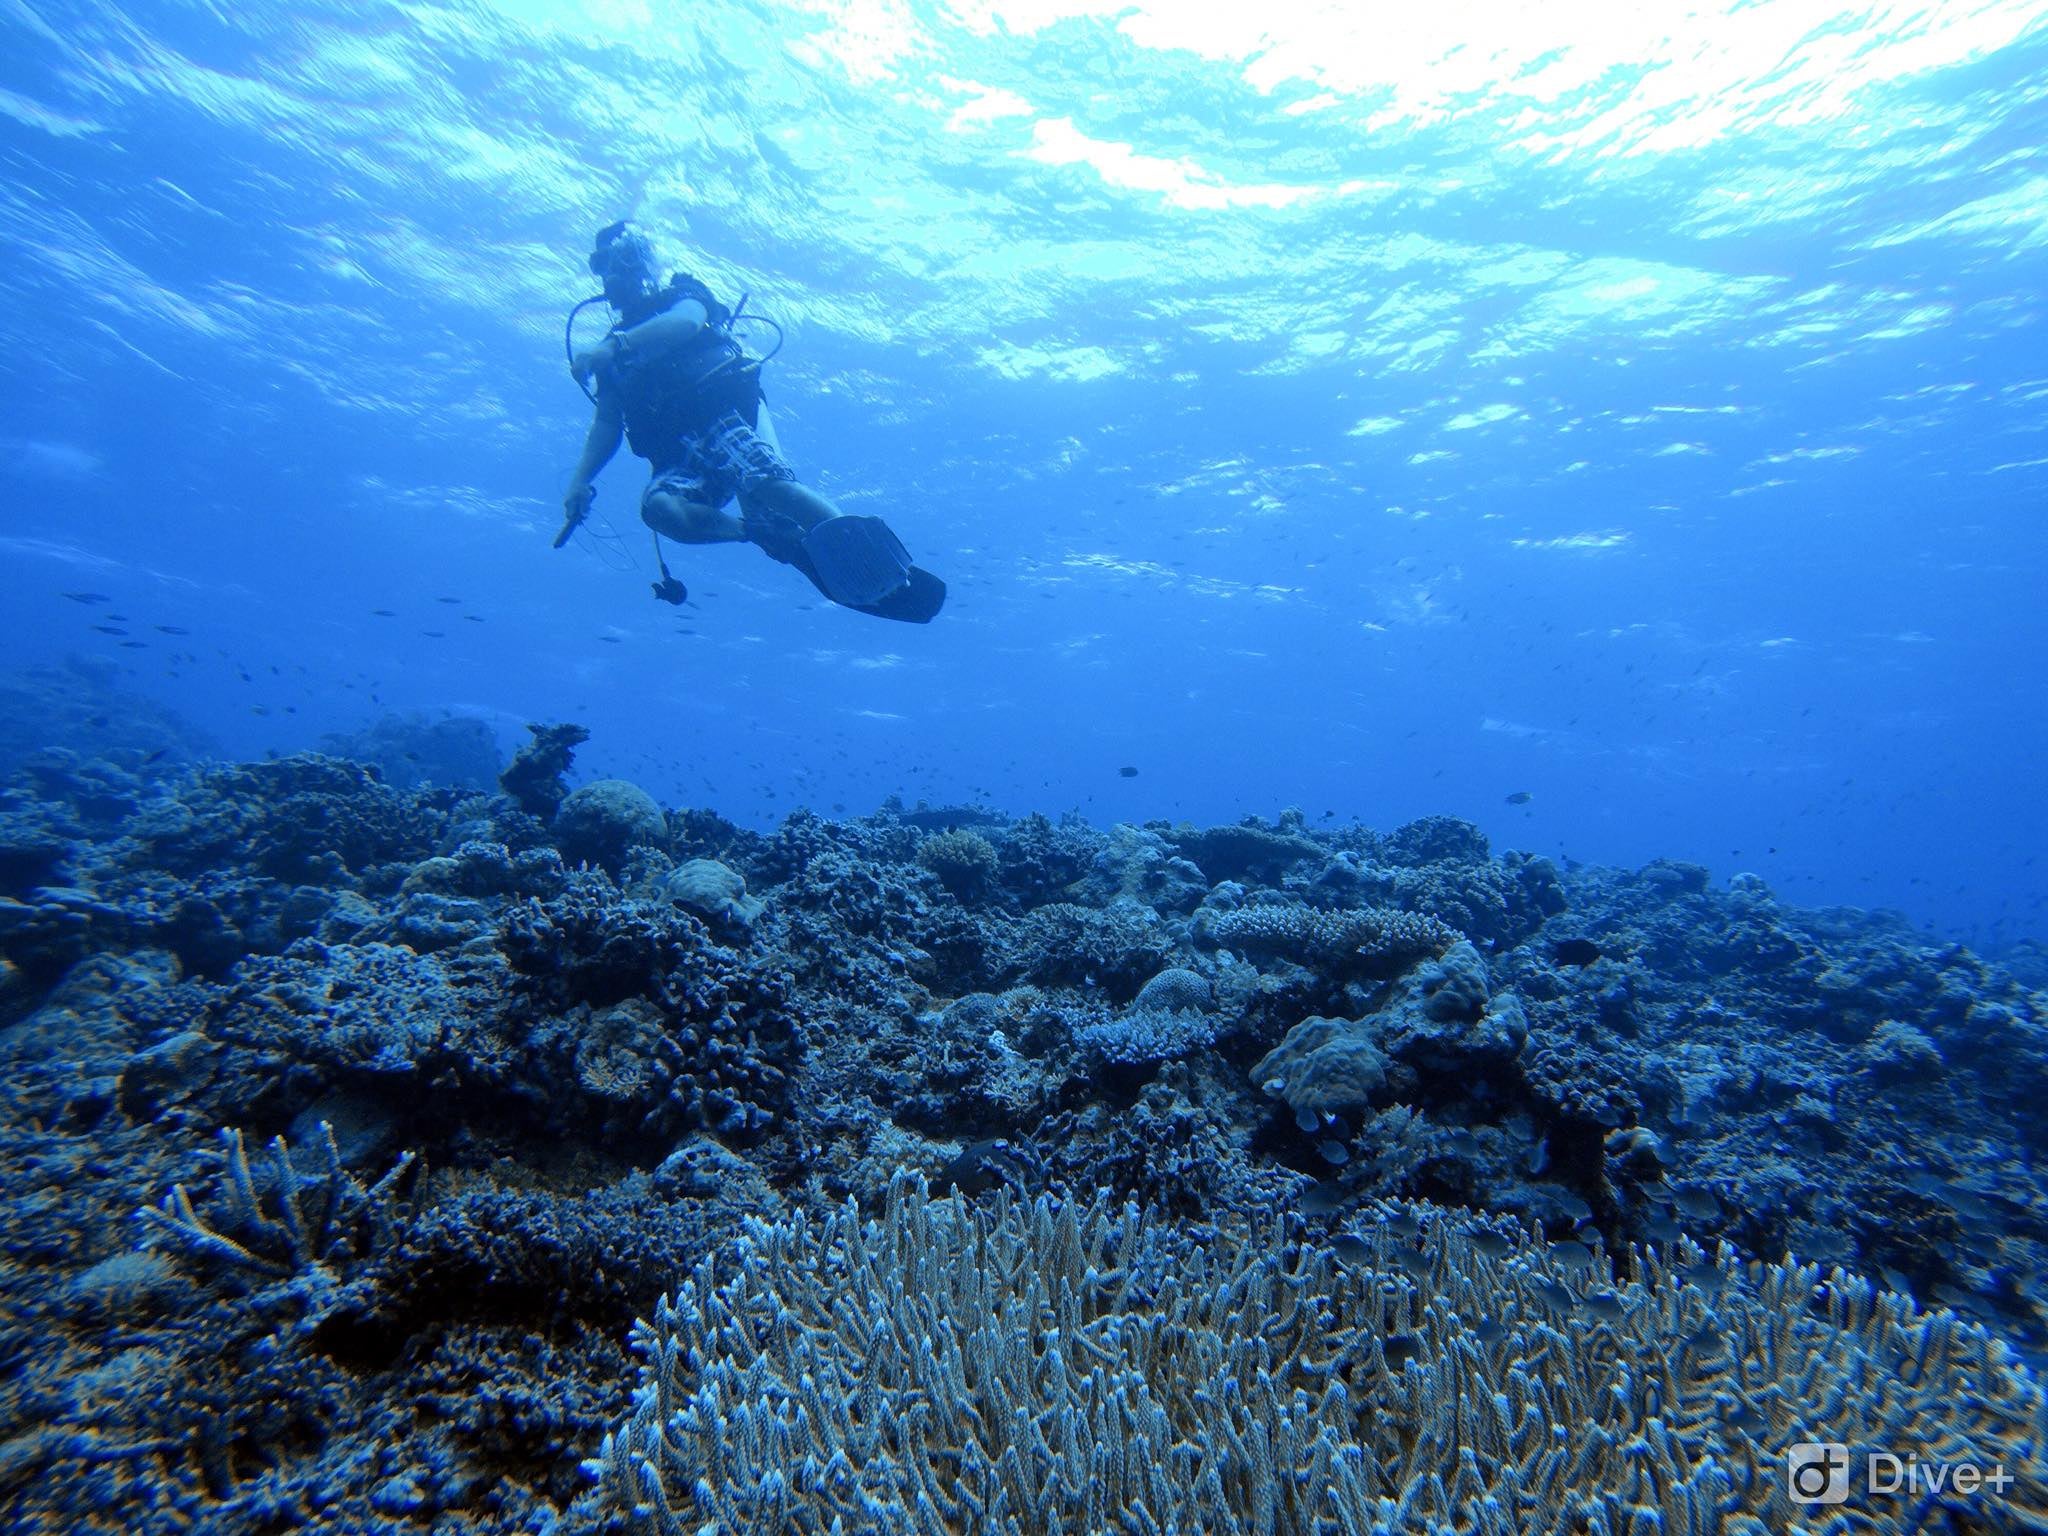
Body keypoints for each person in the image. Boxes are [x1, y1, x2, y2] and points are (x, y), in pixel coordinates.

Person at [557, 221, 945, 623]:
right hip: (675, 456)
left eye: (618, 264)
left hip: (721, 419)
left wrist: (615, 345)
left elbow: (687, 322)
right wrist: (579, 481)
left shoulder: (681, 294)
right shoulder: (610, 352)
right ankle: (761, 532)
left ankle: (876, 565)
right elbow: (607, 423)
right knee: (661, 510)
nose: (610, 276)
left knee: (772, 489)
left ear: (641, 264)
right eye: (601, 266)